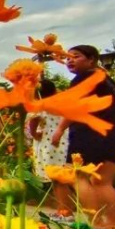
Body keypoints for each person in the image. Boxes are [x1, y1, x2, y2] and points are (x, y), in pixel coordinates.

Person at [51, 45, 115, 229]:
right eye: (68, 57)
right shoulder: (106, 79)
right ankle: (111, 224)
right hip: (114, 132)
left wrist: (60, 128)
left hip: (90, 133)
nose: (69, 60)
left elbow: (76, 107)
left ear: (92, 59)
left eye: (75, 56)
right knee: (102, 181)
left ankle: (95, 222)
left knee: (79, 176)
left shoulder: (84, 79)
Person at [28, 79, 71, 212]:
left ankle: (65, 212)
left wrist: (34, 133)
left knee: (57, 180)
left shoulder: (41, 105)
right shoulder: (60, 103)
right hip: (63, 141)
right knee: (62, 178)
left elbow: (33, 120)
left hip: (49, 143)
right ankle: (63, 210)